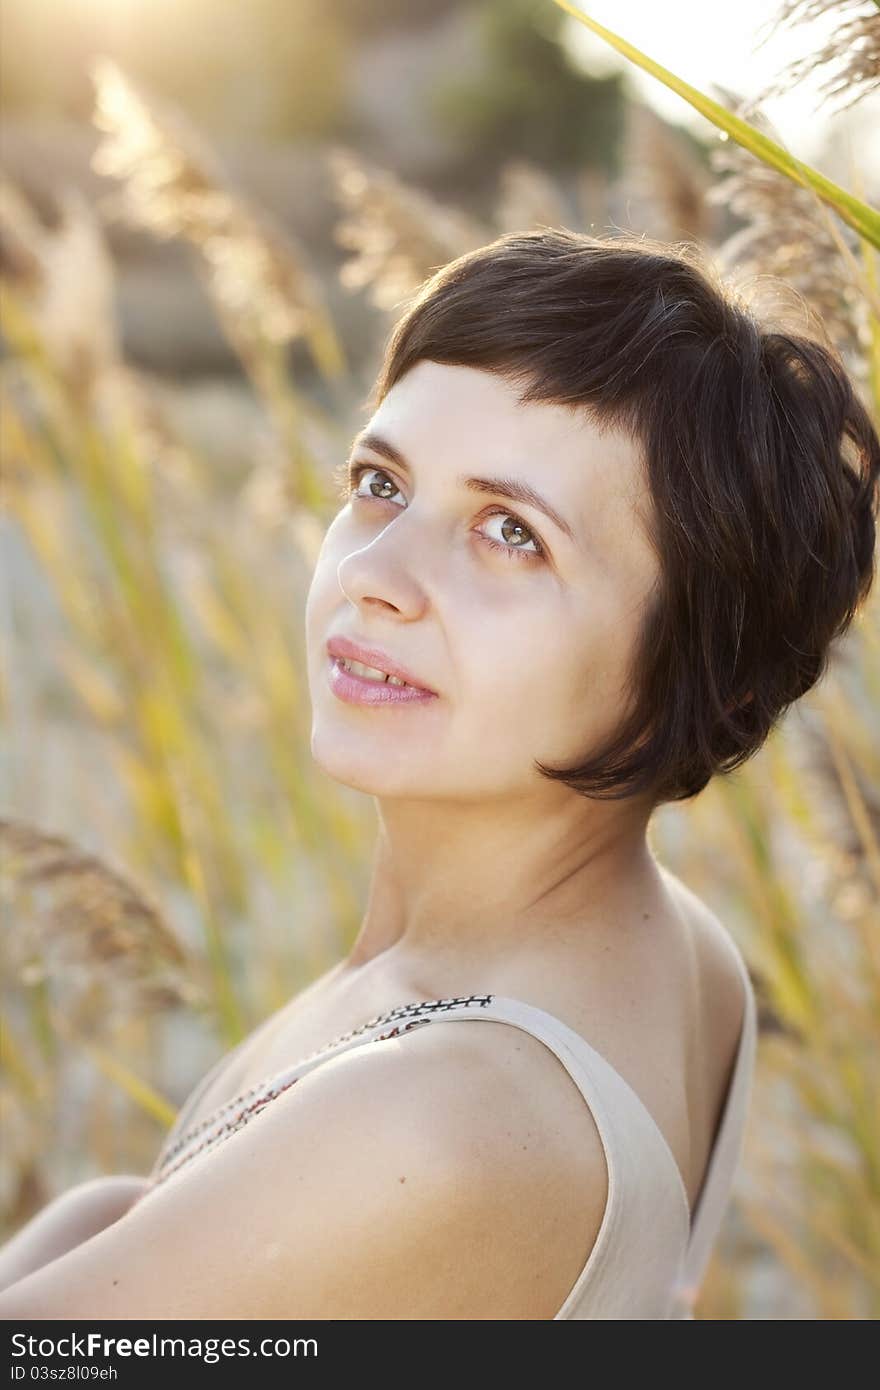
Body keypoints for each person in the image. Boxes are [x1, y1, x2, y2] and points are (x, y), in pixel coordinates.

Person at [1, 228, 877, 1319]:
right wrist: (111, 1214)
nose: (375, 575)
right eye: (379, 482)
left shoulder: (431, 1118)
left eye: (511, 533)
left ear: (709, 674)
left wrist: (91, 1227)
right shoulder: (682, 953)